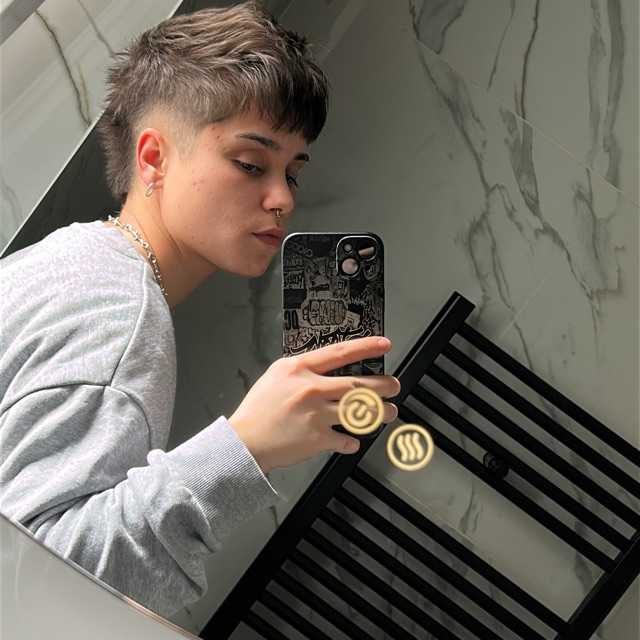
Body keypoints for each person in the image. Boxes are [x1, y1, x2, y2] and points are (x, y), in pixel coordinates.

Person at [0, 0, 400, 620]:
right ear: (153, 158)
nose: (281, 199)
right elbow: (34, 585)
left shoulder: (68, 260)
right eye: (251, 164)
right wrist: (245, 448)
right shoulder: (120, 315)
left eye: (292, 173)